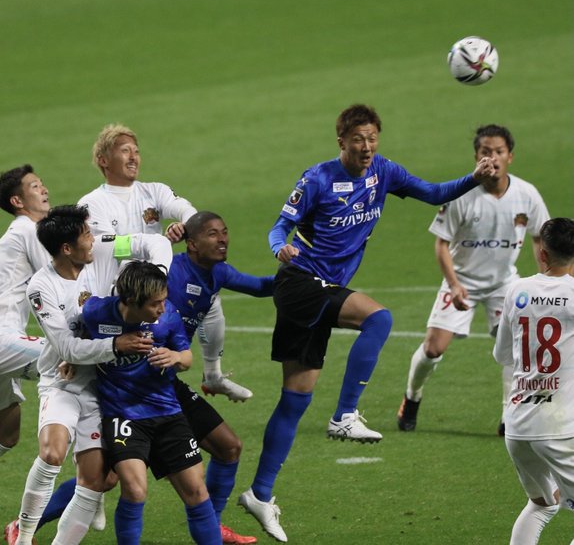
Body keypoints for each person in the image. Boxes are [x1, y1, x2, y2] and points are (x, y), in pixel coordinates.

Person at [238, 103, 497, 541]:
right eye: (358, 139)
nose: (367, 146)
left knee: (295, 401)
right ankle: (344, 414)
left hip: (319, 291)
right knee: (379, 318)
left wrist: (473, 177)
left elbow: (433, 193)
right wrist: (279, 247)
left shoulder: (384, 172)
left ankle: (259, 494)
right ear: (341, 141)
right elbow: (279, 226)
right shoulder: (317, 179)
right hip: (301, 283)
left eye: (372, 138)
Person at [11, 205, 171, 545]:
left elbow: (155, 244)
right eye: (86, 234)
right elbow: (66, 348)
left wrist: (155, 275)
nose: (93, 238)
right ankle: (23, 537)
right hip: (63, 383)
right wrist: (115, 345)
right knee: (52, 453)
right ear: (66, 248)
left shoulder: (105, 248)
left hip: (105, 387)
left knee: (96, 481)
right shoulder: (41, 288)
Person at [78, 123, 251, 402]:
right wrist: (154, 243)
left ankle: (212, 374)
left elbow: (188, 211)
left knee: (208, 293)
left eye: (136, 151)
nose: (134, 157)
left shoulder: (154, 191)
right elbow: (103, 248)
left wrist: (184, 226)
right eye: (125, 151)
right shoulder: (91, 203)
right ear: (103, 160)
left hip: (157, 287)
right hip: (120, 293)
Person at [397, 124, 550, 435]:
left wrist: (543, 278)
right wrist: (454, 284)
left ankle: (509, 416)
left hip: (503, 284)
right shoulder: (462, 196)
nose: (492, 158)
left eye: (498, 152)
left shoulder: (527, 194)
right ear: (476, 157)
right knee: (434, 348)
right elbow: (441, 244)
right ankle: (411, 398)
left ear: (510, 156)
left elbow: (539, 238)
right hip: (462, 280)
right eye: (485, 152)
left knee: (515, 348)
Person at [81, 261, 222, 545]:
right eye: (155, 303)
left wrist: (175, 357)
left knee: (196, 490)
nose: (162, 307)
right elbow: (74, 336)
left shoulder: (168, 316)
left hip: (167, 411)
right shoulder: (96, 312)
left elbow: (187, 357)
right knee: (135, 490)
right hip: (124, 416)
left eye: (163, 300)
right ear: (132, 301)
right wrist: (70, 360)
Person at [168, 210, 275, 544]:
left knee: (229, 447)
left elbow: (260, 286)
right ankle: (30, 523)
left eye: (225, 232)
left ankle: (212, 527)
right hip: (134, 384)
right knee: (105, 478)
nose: (223, 239)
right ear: (192, 243)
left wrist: (301, 273)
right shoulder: (168, 269)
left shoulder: (218, 272)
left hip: (166, 383)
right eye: (213, 234)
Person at [493, 217, 574, 544]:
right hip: (560, 428)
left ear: (542, 252)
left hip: (518, 426)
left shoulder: (517, 290)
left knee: (542, 504)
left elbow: (502, 355)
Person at [0, 165, 50, 461]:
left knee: (8, 432)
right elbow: (58, 282)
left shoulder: (20, 232)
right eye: (35, 186)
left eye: (42, 184)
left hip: (7, 338)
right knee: (72, 358)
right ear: (17, 201)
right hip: (2, 340)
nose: (44, 190)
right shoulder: (27, 229)